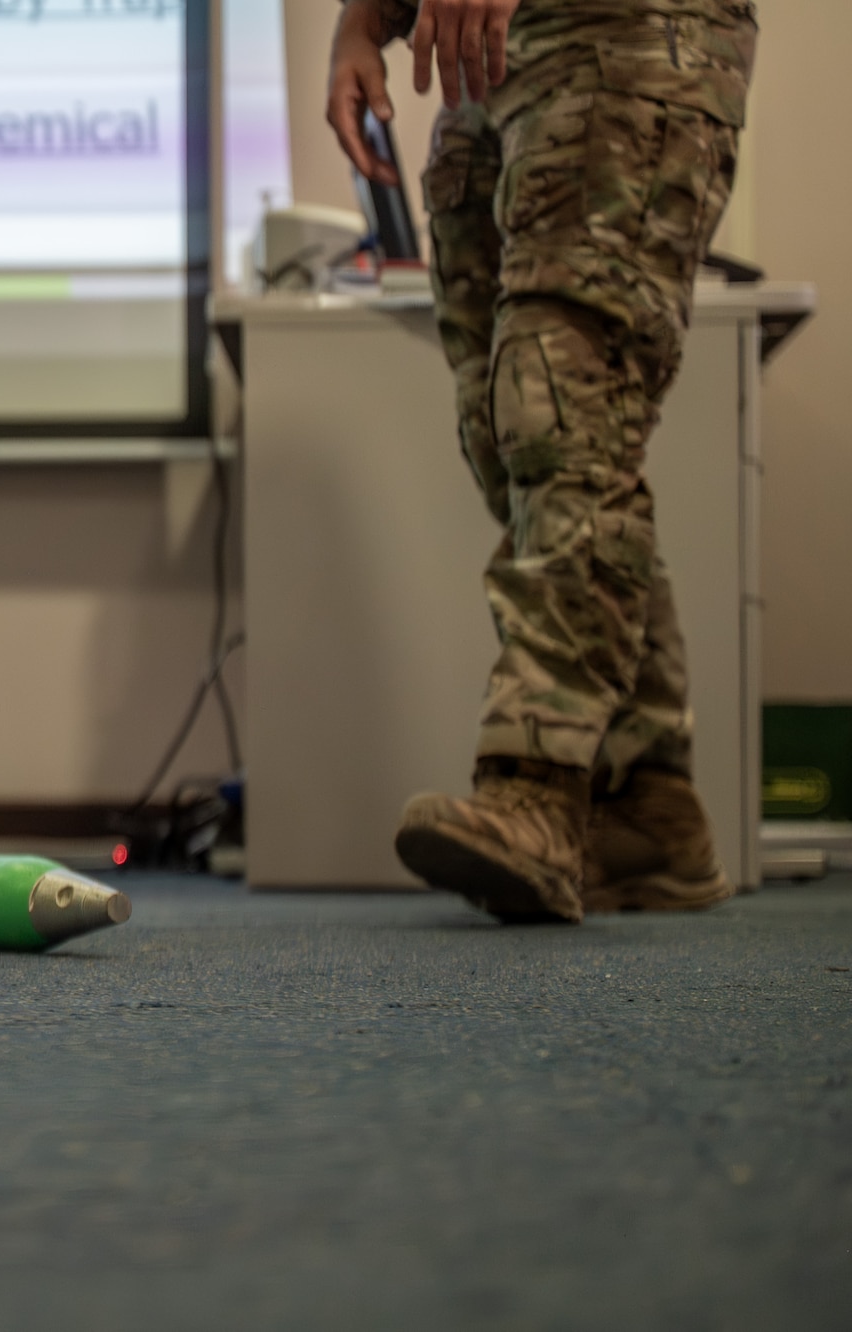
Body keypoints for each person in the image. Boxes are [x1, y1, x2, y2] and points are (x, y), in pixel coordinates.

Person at [323, 0, 759, 923]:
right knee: (507, 435)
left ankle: (540, 783)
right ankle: (646, 805)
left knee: (563, 410)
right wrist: (361, 25)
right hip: (490, 65)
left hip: (627, 40)